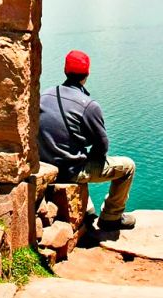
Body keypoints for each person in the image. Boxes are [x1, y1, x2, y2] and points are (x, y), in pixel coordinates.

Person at [38, 50, 136, 231]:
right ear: (87, 74)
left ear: (65, 70)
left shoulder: (45, 95)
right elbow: (102, 145)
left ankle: (88, 211)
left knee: (75, 153)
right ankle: (111, 217)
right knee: (128, 167)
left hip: (46, 165)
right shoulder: (89, 105)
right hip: (70, 171)